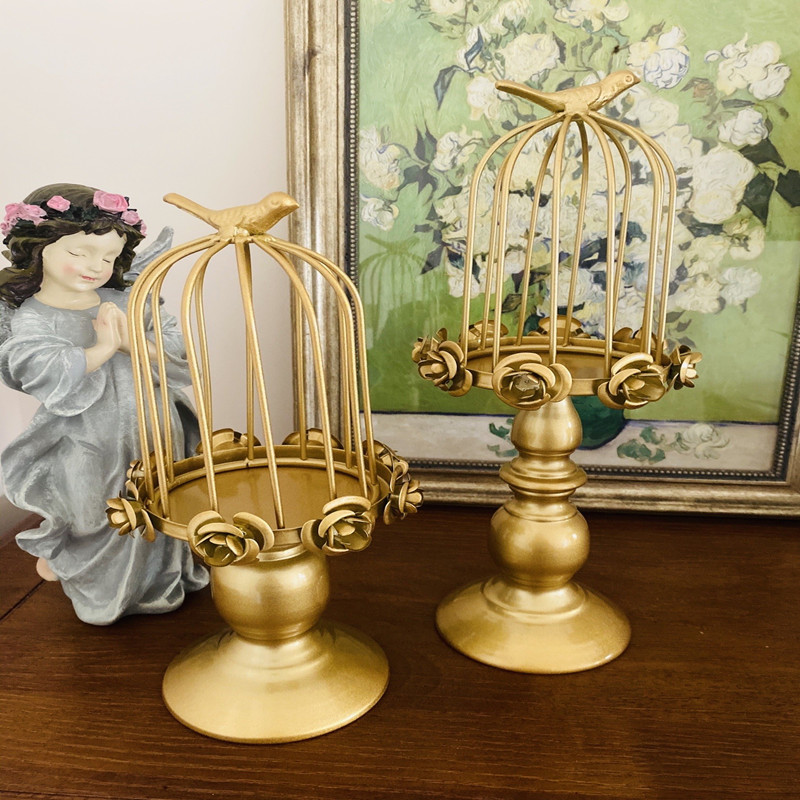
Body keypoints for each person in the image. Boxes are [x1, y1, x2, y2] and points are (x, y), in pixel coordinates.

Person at [0, 183, 208, 624]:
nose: (96, 266)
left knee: (160, 497)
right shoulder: (34, 314)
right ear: (38, 250)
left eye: (109, 257)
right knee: (94, 508)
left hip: (153, 422)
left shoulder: (126, 297)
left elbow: (181, 352)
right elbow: (33, 366)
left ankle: (159, 577)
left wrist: (133, 343)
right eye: (79, 253)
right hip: (85, 434)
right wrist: (100, 348)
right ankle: (89, 575)